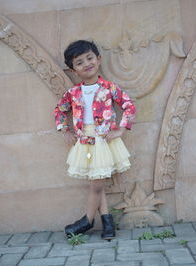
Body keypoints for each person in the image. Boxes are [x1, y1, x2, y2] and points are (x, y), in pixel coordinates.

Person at [54, 40, 136, 240]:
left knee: (97, 184)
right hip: (85, 141)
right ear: (73, 70)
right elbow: (59, 110)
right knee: (95, 182)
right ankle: (108, 223)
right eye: (79, 62)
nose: (86, 64)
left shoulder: (109, 87)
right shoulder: (73, 93)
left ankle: (87, 220)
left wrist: (121, 130)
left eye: (90, 58)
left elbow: (128, 105)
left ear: (98, 59)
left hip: (104, 139)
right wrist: (65, 130)